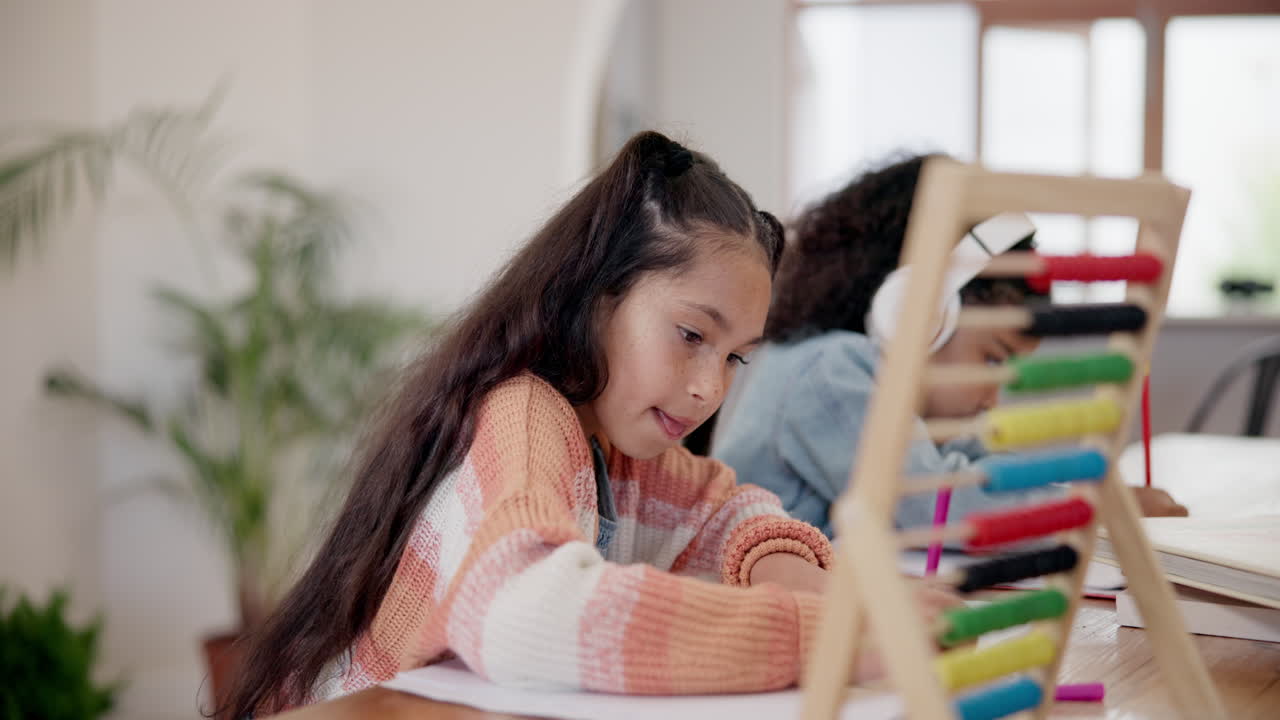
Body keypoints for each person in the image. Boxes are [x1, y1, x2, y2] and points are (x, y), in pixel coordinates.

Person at [224, 134, 960, 717]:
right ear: (597, 298)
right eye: (689, 335)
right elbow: (524, 616)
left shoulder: (632, 450)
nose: (710, 387)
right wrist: (821, 637)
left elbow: (734, 518)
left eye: (736, 356)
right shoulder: (524, 413)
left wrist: (836, 598)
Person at [713, 154, 1188, 539]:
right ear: (919, 316)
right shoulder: (828, 372)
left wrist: (1080, 492)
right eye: (994, 358)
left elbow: (979, 469)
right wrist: (1097, 508)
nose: (993, 398)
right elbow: (938, 505)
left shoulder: (898, 395)